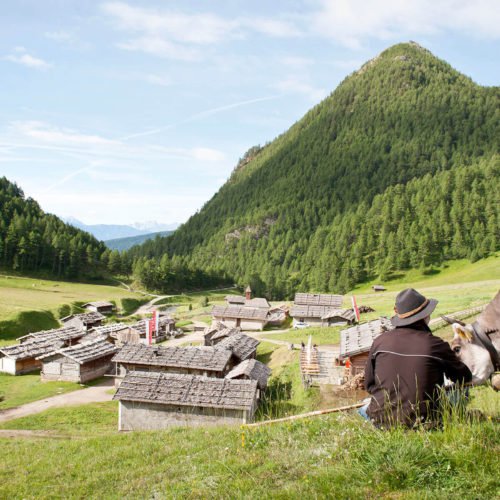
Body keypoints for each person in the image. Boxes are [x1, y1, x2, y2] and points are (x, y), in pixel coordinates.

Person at [361, 288, 472, 428]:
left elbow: (369, 385)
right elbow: (464, 378)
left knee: (363, 409)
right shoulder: (435, 344)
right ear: (424, 317)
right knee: (464, 391)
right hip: (423, 422)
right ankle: (457, 417)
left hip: (380, 420)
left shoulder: (380, 341)